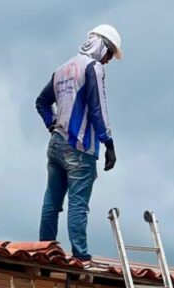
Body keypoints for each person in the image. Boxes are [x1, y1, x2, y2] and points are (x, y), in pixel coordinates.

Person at [35, 24, 122, 261]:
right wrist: (109, 142)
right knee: (78, 204)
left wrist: (52, 123)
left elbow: (41, 102)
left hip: (56, 144)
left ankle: (45, 251)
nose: (108, 60)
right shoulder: (93, 68)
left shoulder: (63, 68)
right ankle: (80, 255)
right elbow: (97, 108)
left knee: (51, 201)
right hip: (80, 147)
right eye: (110, 54)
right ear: (102, 46)